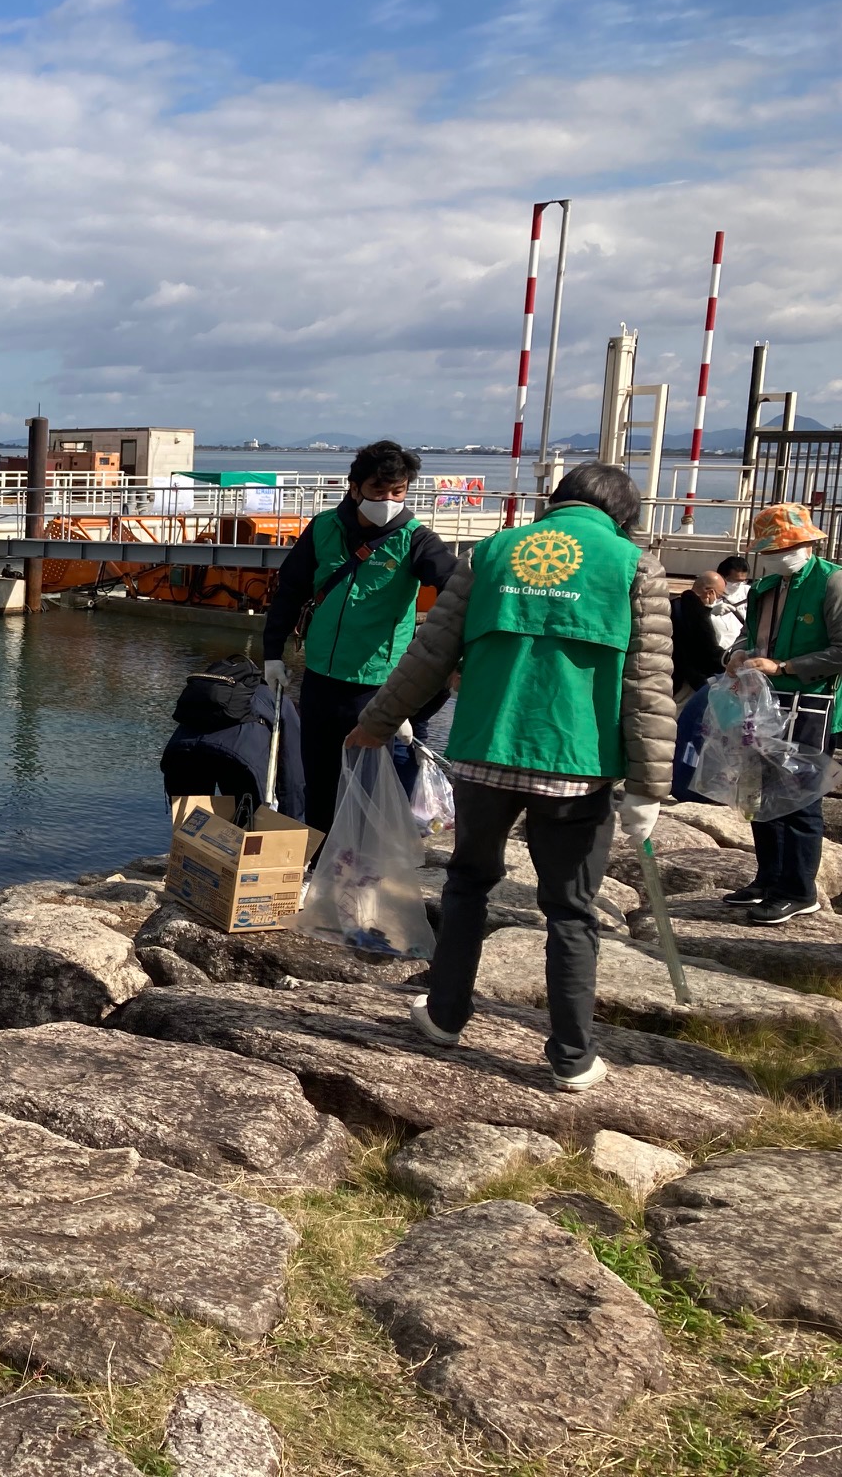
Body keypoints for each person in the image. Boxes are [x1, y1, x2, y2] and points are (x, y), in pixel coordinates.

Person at [345, 463, 676, 1092]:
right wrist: (649, 787)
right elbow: (649, 684)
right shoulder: (635, 565)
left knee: (468, 883)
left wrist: (377, 723)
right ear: (623, 514)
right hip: (575, 764)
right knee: (571, 910)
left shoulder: (494, 550)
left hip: (484, 752)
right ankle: (572, 1056)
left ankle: (444, 1016)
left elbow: (430, 651)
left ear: (556, 503)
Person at [263, 440, 457, 831]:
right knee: (317, 774)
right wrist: (272, 653)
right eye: (377, 491)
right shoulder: (323, 528)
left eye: (397, 492)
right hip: (320, 674)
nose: (387, 500)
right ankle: (317, 860)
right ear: (354, 488)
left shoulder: (415, 540)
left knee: (371, 786)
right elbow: (290, 590)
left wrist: (414, 702)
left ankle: (368, 869)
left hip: (378, 684)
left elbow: (456, 587)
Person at [722, 503, 842, 924]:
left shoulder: (832, 582)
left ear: (808, 544)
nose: (777, 554)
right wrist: (736, 655)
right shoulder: (766, 587)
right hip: (764, 702)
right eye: (771, 549)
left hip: (810, 704)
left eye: (785, 547)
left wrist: (786, 667)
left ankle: (799, 888)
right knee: (762, 794)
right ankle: (769, 878)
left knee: (801, 798)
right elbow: (748, 636)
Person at [158, 655, 307, 821]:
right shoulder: (281, 704)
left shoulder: (207, 690)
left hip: (180, 753)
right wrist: (291, 822)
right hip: (238, 758)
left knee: (191, 824)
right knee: (248, 821)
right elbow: (293, 776)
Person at [670, 571, 731, 699]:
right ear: (709, 593)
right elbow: (708, 650)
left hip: (670, 675)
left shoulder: (673, 604)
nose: (718, 600)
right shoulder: (698, 614)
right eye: (719, 596)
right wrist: (730, 659)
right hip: (686, 683)